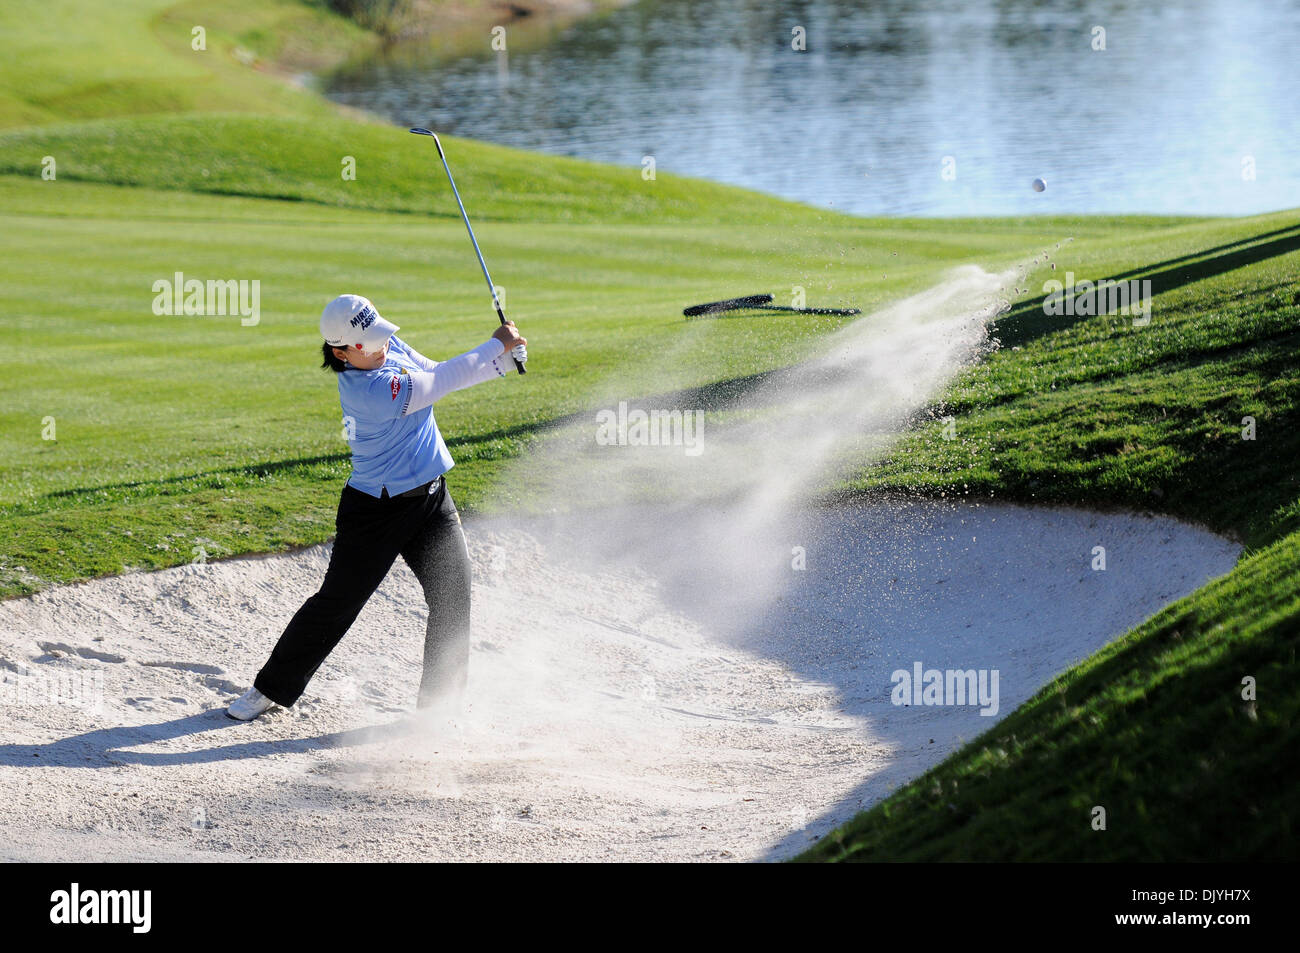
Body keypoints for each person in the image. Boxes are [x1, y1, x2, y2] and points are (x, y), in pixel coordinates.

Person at [226, 293, 526, 721]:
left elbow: (437, 371)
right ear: (342, 352)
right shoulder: (369, 391)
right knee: (337, 603)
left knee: (453, 599)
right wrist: (497, 345)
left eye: (380, 335)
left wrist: (503, 361)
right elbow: (439, 381)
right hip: (375, 510)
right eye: (369, 342)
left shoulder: (389, 351)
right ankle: (269, 688)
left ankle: (438, 710)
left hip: (431, 499)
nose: (382, 345)